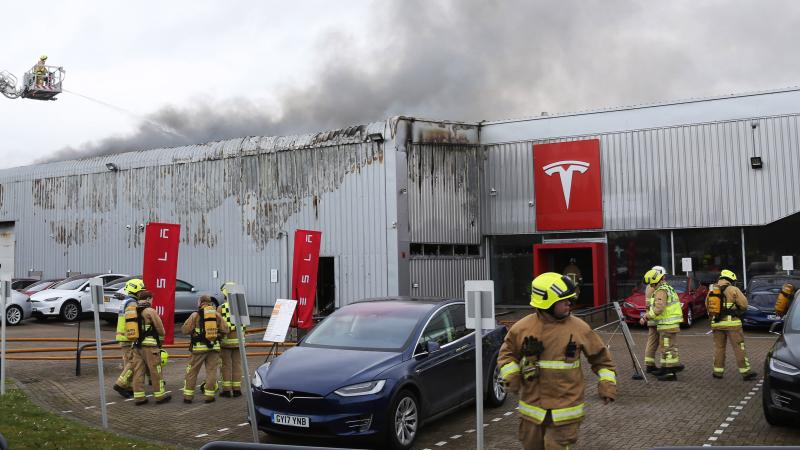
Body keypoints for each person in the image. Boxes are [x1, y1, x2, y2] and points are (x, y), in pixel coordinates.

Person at [498, 272, 617, 450]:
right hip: (532, 410)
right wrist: (512, 374)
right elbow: (506, 355)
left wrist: (607, 384)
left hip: (565, 412)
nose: (570, 303)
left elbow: (601, 359)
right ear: (546, 304)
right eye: (564, 300)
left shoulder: (579, 328)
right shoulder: (522, 328)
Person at [706, 270, 757, 380]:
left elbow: (707, 306)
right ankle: (746, 373)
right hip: (733, 324)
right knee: (739, 348)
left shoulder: (712, 290)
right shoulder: (734, 289)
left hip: (716, 324)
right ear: (730, 280)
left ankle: (717, 372)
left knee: (719, 348)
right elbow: (744, 305)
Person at [181, 295, 228, 403]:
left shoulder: (195, 315)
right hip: (214, 347)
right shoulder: (216, 314)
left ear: (201, 302)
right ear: (210, 303)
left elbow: (185, 330)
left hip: (198, 349)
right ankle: (209, 396)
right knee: (211, 372)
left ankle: (188, 397)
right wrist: (217, 334)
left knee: (192, 372)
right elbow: (226, 329)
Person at [131, 290, 171, 405]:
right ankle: (160, 397)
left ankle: (139, 398)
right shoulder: (150, 311)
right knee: (155, 371)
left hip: (136, 346)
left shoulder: (133, 310)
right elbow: (161, 330)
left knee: (138, 371)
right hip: (150, 347)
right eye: (152, 299)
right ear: (148, 299)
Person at [643, 268, 684, 381]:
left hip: (667, 325)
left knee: (668, 349)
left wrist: (646, 316)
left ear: (656, 281)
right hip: (668, 325)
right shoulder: (667, 288)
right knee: (666, 348)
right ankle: (666, 369)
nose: (651, 286)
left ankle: (670, 373)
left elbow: (659, 308)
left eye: (652, 283)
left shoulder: (661, 291)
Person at [112, 278, 145, 398]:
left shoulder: (126, 301)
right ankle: (120, 384)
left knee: (128, 362)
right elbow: (133, 321)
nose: (142, 292)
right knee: (133, 362)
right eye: (141, 290)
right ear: (136, 290)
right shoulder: (132, 303)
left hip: (123, 336)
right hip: (128, 337)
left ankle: (128, 386)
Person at [218, 281, 245, 397]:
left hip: (226, 342)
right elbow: (245, 324)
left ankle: (227, 390)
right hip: (239, 341)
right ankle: (237, 389)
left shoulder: (221, 308)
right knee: (237, 365)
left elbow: (218, 324)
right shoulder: (241, 306)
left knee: (226, 365)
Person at [639, 265, 667, 373]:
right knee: (663, 342)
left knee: (652, 342)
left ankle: (649, 364)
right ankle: (665, 366)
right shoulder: (656, 286)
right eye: (663, 275)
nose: (664, 278)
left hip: (650, 316)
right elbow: (660, 304)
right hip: (657, 317)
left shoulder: (648, 286)